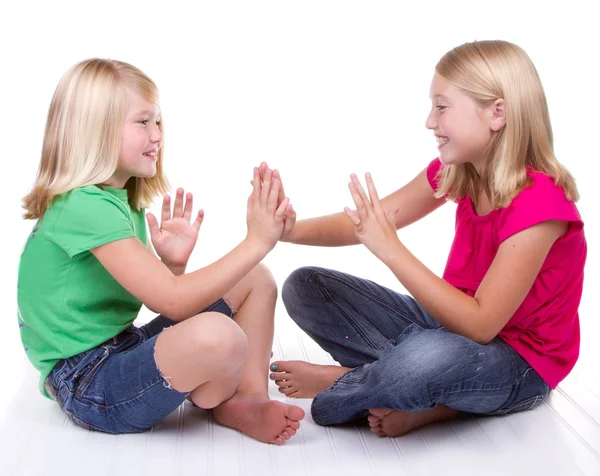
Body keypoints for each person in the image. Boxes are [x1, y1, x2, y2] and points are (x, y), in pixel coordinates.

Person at [265, 40, 586, 437]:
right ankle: (418, 393)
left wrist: (391, 250)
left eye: (442, 106)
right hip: (448, 329)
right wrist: (289, 231)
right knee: (305, 286)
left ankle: (350, 382)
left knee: (420, 362)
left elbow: (483, 326)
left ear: (496, 113)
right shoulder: (459, 172)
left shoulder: (541, 206)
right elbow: (367, 222)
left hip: (518, 364)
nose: (430, 122)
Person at [17, 58, 304, 444]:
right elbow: (174, 302)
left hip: (121, 347)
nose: (157, 136)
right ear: (95, 130)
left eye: (158, 123)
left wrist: (173, 266)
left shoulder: (117, 201)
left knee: (254, 279)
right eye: (143, 122)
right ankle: (224, 394)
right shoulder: (84, 207)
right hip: (86, 381)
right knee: (220, 336)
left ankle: (246, 400)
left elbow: (162, 297)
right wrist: (257, 241)